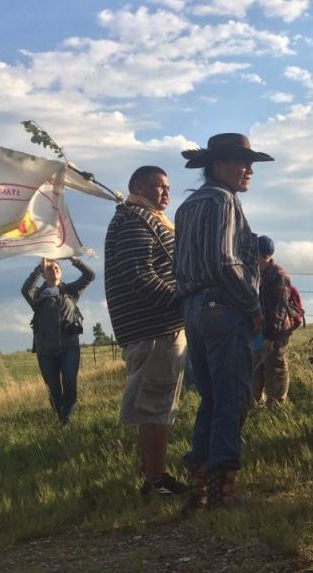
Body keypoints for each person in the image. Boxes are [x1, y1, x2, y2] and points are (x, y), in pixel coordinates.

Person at [174, 133, 273, 510]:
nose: (248, 170)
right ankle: (222, 490)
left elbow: (179, 266)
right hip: (223, 307)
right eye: (240, 162)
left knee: (211, 399)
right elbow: (225, 262)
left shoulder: (186, 208)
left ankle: (198, 485)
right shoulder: (224, 200)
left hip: (193, 309)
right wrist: (252, 307)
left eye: (249, 163)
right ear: (217, 166)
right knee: (232, 397)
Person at [105, 165, 188, 496]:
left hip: (158, 326)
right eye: (158, 186)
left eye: (168, 187)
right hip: (155, 328)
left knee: (159, 404)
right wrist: (184, 302)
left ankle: (154, 473)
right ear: (137, 186)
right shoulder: (134, 221)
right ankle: (155, 481)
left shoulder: (145, 217)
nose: (166, 192)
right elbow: (140, 276)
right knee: (156, 405)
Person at [21, 256, 95, 426]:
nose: (53, 269)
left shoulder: (70, 290)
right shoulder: (38, 295)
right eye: (49, 268)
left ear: (61, 273)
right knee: (53, 387)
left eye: (56, 268)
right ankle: (61, 416)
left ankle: (67, 416)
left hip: (70, 346)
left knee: (69, 380)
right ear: (44, 274)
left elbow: (90, 275)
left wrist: (73, 259)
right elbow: (26, 290)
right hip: (45, 350)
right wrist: (39, 269)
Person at [252, 235, 294, 406]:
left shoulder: (278, 274)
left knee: (275, 367)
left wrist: (270, 337)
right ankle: (256, 403)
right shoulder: (255, 273)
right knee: (258, 368)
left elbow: (279, 309)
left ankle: (276, 406)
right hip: (258, 330)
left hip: (275, 332)